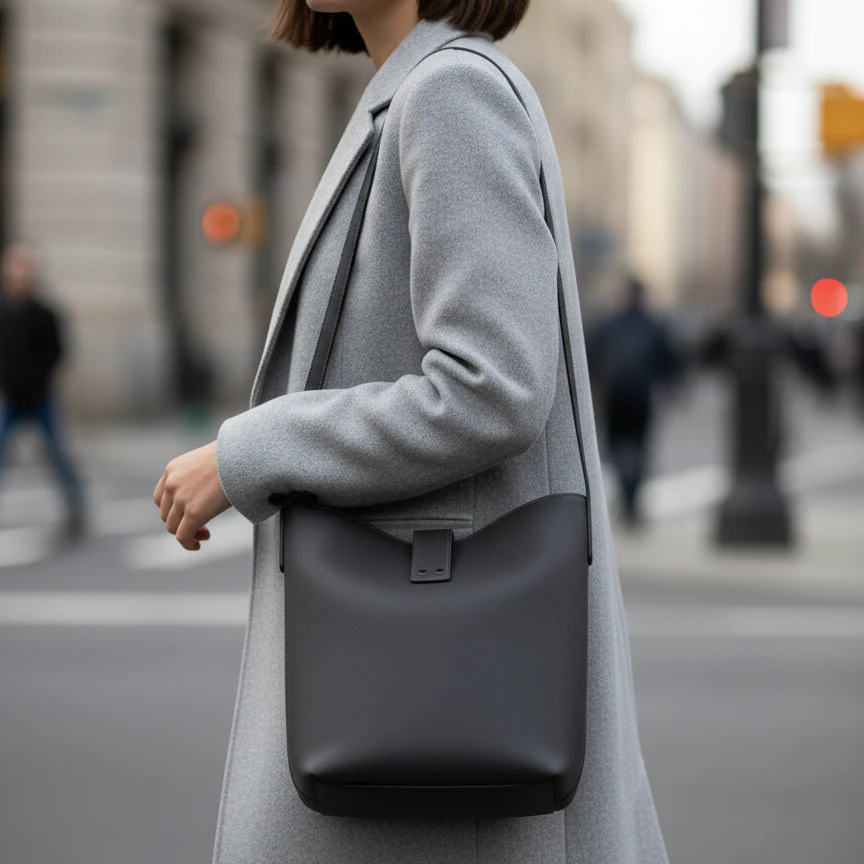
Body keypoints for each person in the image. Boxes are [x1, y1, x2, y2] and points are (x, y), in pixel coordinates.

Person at [153, 4, 669, 863]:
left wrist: (249, 452)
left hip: (428, 719)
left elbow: (491, 387)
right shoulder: (416, 91)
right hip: (416, 692)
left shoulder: (451, 94)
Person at [0, 241, 88, 541]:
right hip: (10, 397)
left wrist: (37, 374)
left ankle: (77, 509)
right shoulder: (4, 311)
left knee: (56, 453)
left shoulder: (44, 313)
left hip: (39, 396)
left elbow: (58, 351)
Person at [588, 275, 682, 527]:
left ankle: (627, 498)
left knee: (618, 447)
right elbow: (670, 363)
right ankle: (633, 502)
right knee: (639, 448)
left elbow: (593, 358)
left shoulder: (609, 324)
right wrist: (669, 394)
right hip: (641, 395)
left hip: (615, 394)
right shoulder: (654, 325)